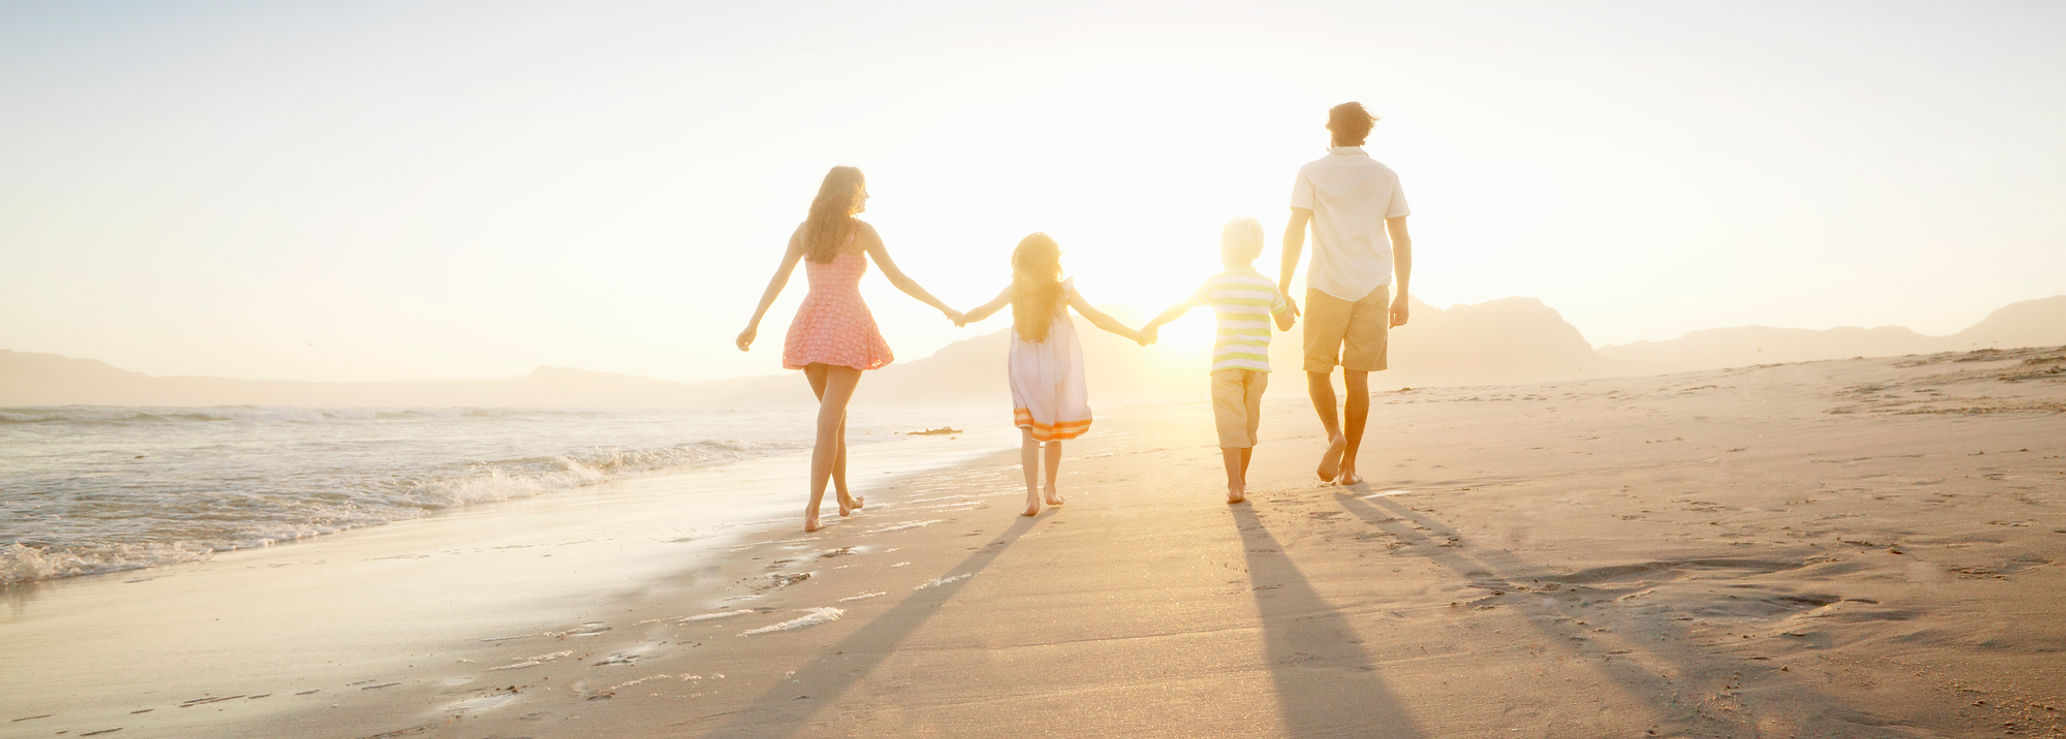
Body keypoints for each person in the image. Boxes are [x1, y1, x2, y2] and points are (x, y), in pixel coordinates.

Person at [736, 166, 962, 532]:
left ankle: (843, 497)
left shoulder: (805, 230)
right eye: (864, 190)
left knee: (834, 418)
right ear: (851, 193)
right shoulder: (861, 231)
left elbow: (780, 278)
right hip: (846, 326)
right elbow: (899, 278)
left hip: (811, 325)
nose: (867, 196)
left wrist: (754, 322)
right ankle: (812, 510)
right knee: (830, 421)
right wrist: (944, 307)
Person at [953, 233, 1149, 516]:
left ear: (1021, 261)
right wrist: (1134, 334)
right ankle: (1051, 489)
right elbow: (1097, 318)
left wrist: (962, 318)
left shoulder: (1015, 291)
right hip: (1057, 368)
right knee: (1053, 433)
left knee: (1029, 434)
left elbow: (983, 311)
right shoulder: (1063, 291)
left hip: (1025, 370)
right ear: (1053, 261)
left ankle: (1031, 496)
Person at [1278, 101, 1414, 487]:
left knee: (1317, 371)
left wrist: (1283, 286)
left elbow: (1295, 231)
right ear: (1366, 132)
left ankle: (1333, 436)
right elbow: (1401, 239)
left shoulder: (1311, 172)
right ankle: (1349, 466)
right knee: (1358, 381)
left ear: (1330, 129)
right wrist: (1403, 294)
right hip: (1373, 287)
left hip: (1325, 285)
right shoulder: (1386, 175)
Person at [1141, 217, 1297, 504]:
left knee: (1230, 425)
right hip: (1257, 367)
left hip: (1226, 365)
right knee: (1248, 427)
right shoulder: (1266, 285)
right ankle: (1241, 481)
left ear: (1225, 248)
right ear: (1257, 248)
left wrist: (1154, 323)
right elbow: (1285, 324)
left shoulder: (1216, 282)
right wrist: (1290, 305)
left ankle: (1234, 484)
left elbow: (1183, 306)